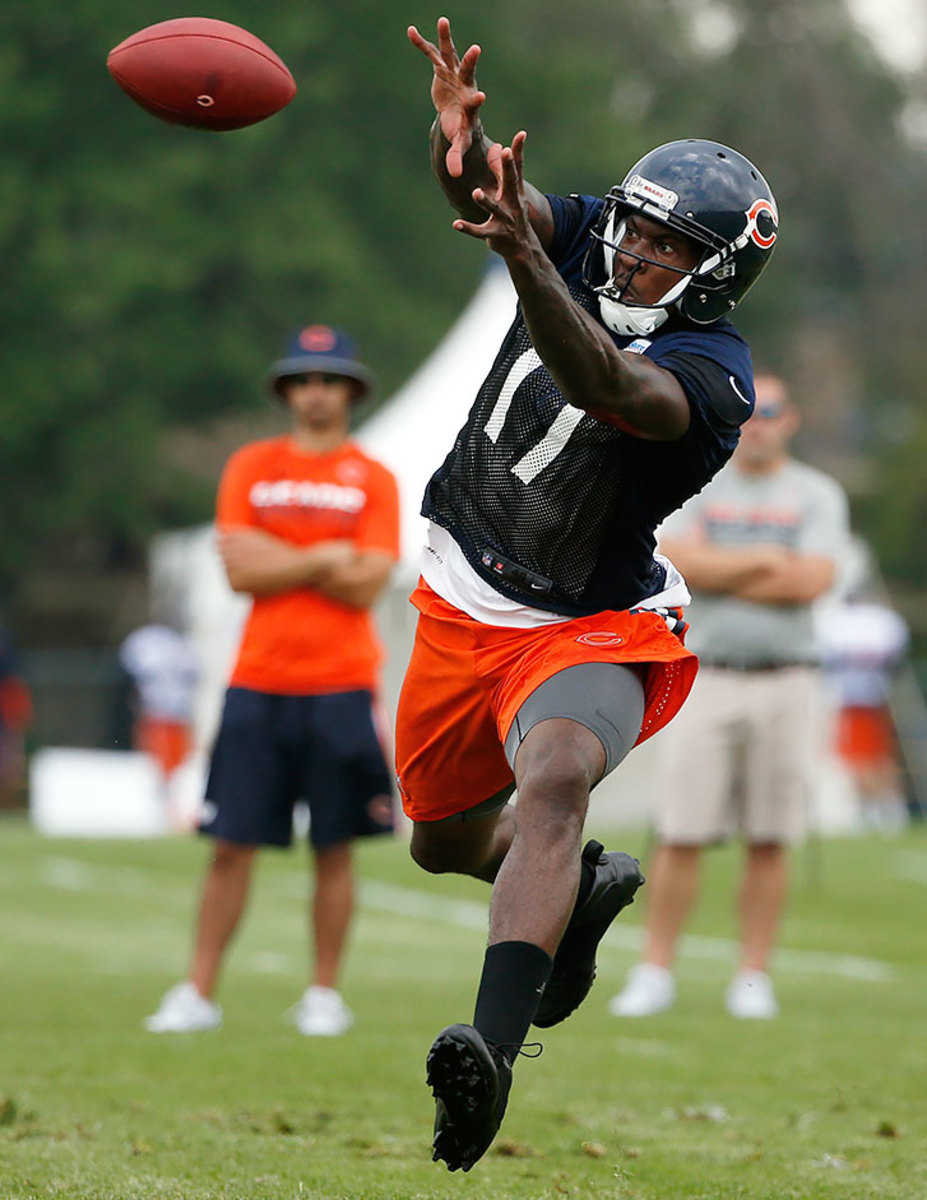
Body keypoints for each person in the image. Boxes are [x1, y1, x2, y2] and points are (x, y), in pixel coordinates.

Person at [402, 17, 779, 1172]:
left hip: (593, 620)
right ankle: (581, 898)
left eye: (666, 245)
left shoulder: (714, 377)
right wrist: (457, 141)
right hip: (462, 588)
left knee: (557, 773)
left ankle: (492, 1057)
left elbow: (603, 378)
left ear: (715, 275)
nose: (631, 249)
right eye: (634, 224)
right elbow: (489, 192)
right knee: (437, 841)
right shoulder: (575, 239)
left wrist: (523, 256)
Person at [146, 323, 400, 1037]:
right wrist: (327, 553)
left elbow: (367, 582)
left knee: (335, 844)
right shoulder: (251, 464)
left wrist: (284, 552)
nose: (316, 394)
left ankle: (323, 993)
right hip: (258, 682)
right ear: (287, 390)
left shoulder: (372, 476)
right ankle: (197, 990)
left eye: (329, 380)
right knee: (230, 844)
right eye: (304, 380)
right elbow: (237, 569)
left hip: (343, 682)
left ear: (350, 389)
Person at [610, 373, 851, 1022]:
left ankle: (752, 976)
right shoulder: (699, 481)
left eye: (770, 412)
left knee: (770, 834)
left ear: (789, 419)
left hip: (786, 677)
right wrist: (767, 560)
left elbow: (813, 581)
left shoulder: (816, 494)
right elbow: (679, 562)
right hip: (705, 675)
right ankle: (654, 969)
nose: (759, 424)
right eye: (749, 413)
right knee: (681, 829)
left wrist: (728, 568)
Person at [818, 592, 910, 832]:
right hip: (864, 698)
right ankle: (881, 809)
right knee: (870, 758)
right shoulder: (878, 623)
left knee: (865, 759)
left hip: (860, 701)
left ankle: (882, 809)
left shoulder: (842, 625)